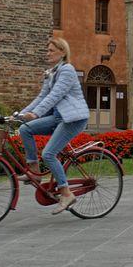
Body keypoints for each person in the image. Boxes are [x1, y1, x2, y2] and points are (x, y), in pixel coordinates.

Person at [17, 37, 90, 215]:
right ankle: (34, 170)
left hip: (73, 119)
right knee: (25, 129)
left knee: (49, 154)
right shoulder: (51, 73)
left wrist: (36, 114)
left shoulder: (67, 70)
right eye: (47, 50)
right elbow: (41, 97)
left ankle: (66, 194)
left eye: (51, 50)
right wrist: (20, 114)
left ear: (63, 52)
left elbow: (55, 96)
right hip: (58, 117)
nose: (47, 53)